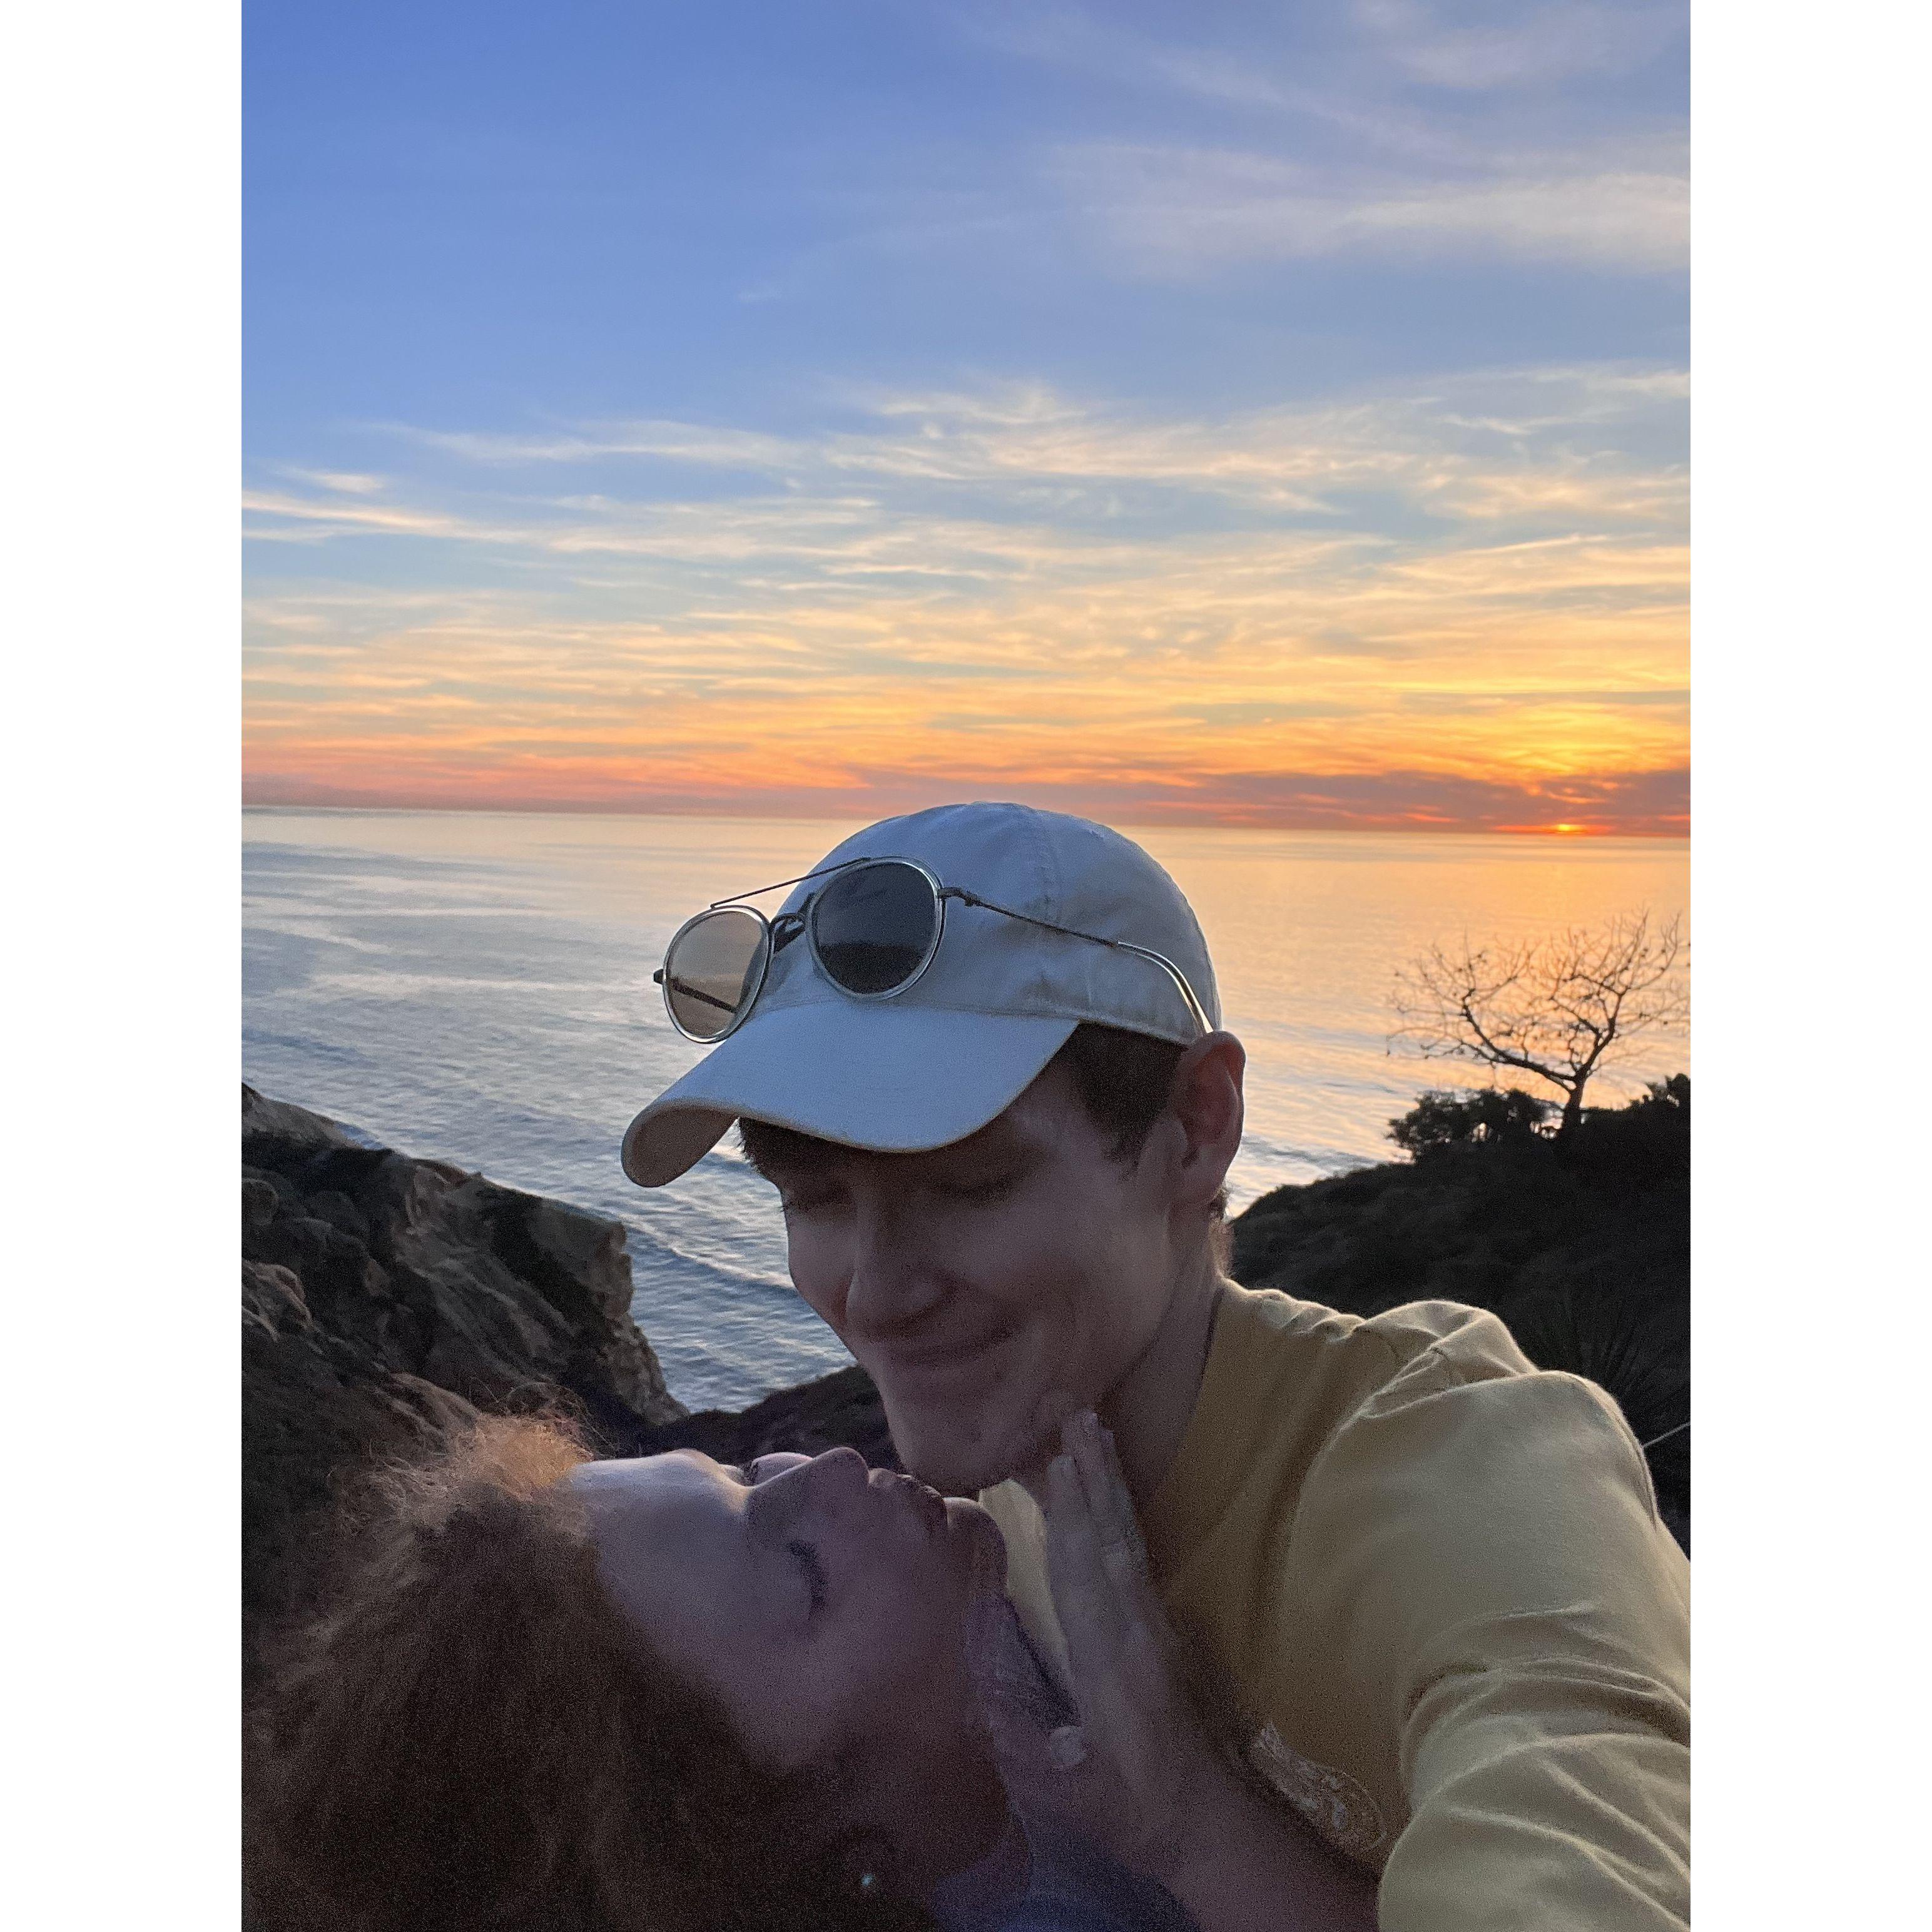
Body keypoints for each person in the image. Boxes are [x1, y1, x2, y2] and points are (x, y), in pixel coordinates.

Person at [621, 800, 1692, 1931]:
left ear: (1198, 1125)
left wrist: (1192, 1821)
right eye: (814, 1200)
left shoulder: (1476, 1489)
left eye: (971, 1187)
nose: (876, 1296)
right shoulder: (998, 1511)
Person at [245, 1413, 1309, 1931]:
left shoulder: (999, 1641)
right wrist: (1189, 1827)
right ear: (806, 1824)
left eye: (743, 1469)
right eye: (804, 1566)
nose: (832, 1465)